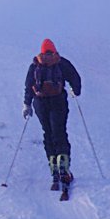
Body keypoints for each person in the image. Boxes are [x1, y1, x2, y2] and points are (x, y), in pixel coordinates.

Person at [22, 38, 82, 192]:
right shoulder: (60, 62)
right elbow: (75, 77)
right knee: (60, 133)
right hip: (58, 103)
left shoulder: (35, 64)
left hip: (40, 104)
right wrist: (75, 91)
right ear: (54, 49)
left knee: (48, 134)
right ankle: (64, 169)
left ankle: (54, 170)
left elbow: (29, 86)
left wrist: (27, 104)